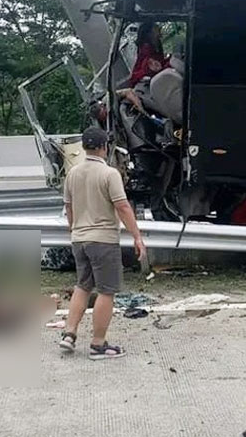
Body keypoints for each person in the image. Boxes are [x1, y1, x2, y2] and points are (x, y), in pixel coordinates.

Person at [59, 127, 147, 360]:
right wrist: (137, 236)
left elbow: (69, 208)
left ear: (84, 147)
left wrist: (74, 230)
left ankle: (69, 334)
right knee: (106, 291)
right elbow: (122, 206)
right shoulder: (109, 174)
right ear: (103, 147)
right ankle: (98, 344)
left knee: (82, 286)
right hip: (103, 240)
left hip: (80, 239)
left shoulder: (73, 174)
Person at [129, 22, 169, 87]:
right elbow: (153, 68)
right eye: (156, 29)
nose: (159, 31)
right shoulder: (146, 49)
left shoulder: (156, 46)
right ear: (150, 33)